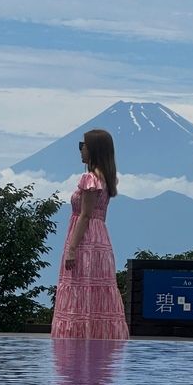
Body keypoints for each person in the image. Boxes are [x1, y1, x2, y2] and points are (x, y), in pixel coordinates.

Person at [51, 129, 129, 340]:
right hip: (100, 238)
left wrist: (72, 248)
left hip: (84, 239)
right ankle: (98, 336)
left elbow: (84, 216)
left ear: (93, 149)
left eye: (82, 145)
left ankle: (75, 337)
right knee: (95, 288)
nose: (81, 150)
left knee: (79, 287)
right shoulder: (107, 178)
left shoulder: (90, 178)